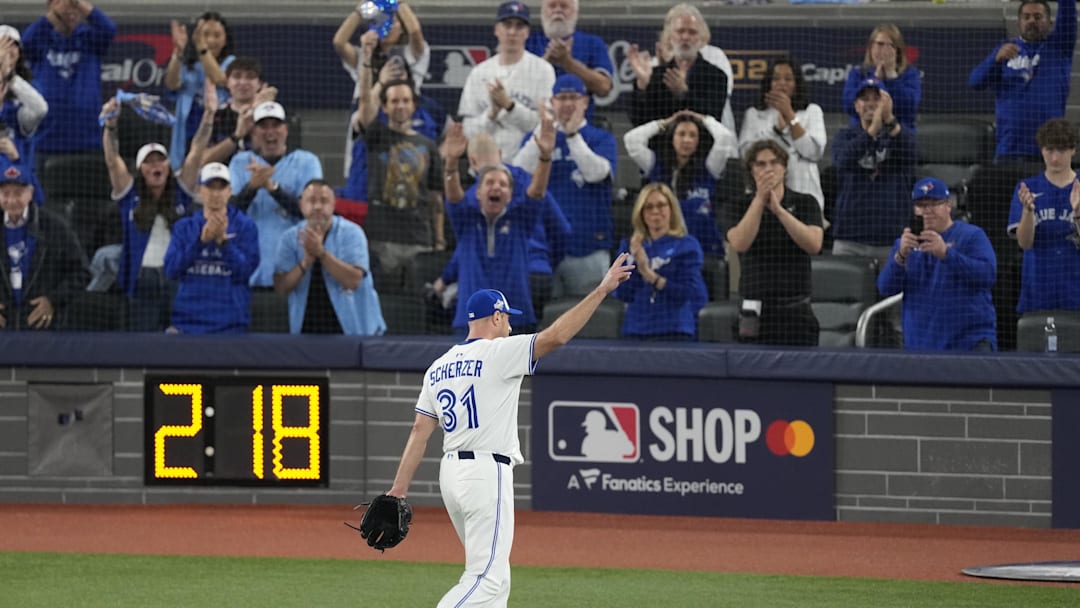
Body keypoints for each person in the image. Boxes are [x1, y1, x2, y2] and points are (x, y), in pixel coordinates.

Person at [384, 253, 634, 608]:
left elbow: (419, 431)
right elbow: (558, 336)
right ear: (497, 317)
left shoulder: (438, 366)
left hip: (451, 475)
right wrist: (602, 290)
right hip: (485, 474)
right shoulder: (499, 352)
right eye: (508, 319)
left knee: (495, 579)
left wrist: (398, 491)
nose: (511, 327)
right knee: (486, 580)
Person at [441, 112, 557, 334]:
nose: (496, 187)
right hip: (470, 322)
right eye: (490, 182)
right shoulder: (466, 220)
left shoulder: (521, 219)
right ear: (477, 192)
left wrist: (545, 157)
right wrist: (451, 163)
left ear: (511, 195)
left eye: (503, 184)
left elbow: (537, 192)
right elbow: (454, 196)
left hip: (515, 319)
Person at [101, 97, 200, 332]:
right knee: (143, 343)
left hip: (176, 279)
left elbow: (196, 153)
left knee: (180, 341)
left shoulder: (181, 193)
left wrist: (208, 116)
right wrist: (110, 126)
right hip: (142, 280)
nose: (156, 165)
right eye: (149, 162)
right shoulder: (129, 195)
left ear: (168, 166)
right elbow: (112, 161)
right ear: (140, 170)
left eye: (161, 160)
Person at [514, 73, 617, 297]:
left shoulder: (600, 138)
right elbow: (518, 175)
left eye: (574, 97)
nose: (568, 104)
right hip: (545, 250)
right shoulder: (536, 139)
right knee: (546, 316)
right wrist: (542, 130)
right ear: (552, 102)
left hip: (588, 246)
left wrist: (572, 136)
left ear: (585, 102)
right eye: (561, 98)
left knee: (590, 313)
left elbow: (597, 174)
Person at [878, 177, 997, 351]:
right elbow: (885, 288)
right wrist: (901, 256)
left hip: (968, 343)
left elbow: (987, 275)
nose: (927, 211)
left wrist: (946, 254)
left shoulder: (972, 235)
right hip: (920, 345)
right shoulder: (904, 244)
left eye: (934, 204)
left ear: (948, 205)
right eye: (921, 205)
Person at [725, 140, 823, 347]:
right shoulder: (737, 206)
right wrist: (760, 200)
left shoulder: (806, 202)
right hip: (753, 309)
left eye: (774, 162)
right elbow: (739, 243)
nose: (768, 169)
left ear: (784, 167)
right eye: (761, 164)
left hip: (796, 309)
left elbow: (814, 244)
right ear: (751, 170)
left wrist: (779, 211)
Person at [355, 69, 444, 292]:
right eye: (394, 101)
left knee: (417, 302)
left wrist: (439, 239)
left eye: (405, 100)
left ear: (414, 105)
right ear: (384, 107)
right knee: (382, 300)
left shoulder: (428, 146)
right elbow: (365, 102)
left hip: (419, 239)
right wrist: (367, 66)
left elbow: (436, 197)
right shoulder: (377, 136)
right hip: (381, 239)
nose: (400, 106)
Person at [273, 179, 386, 336]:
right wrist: (305, 263)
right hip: (306, 331)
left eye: (324, 201)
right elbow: (281, 288)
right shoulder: (289, 238)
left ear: (333, 205)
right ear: (301, 205)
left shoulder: (352, 233)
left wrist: (321, 253)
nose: (318, 206)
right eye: (312, 201)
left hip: (354, 333)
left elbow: (354, 281)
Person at [229, 100, 323, 288]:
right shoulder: (240, 162)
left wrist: (273, 188)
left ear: (286, 130)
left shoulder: (307, 161)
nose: (270, 132)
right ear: (254, 132)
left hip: (292, 269)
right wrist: (252, 187)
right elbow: (230, 212)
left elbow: (310, 211)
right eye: (263, 126)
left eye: (276, 125)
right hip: (249, 269)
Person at [969, 0, 1077, 163]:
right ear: (1019, 23)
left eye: (1038, 17)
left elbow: (1068, 11)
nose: (1031, 21)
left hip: (1050, 150)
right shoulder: (1005, 48)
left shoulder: (1060, 46)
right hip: (1010, 148)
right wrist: (995, 60)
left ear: (1050, 23)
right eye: (1026, 17)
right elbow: (975, 82)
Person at [624, 109, 737, 257]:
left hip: (705, 249)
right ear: (672, 137)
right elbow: (631, 140)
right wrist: (664, 123)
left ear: (698, 141)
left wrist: (703, 119)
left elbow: (725, 138)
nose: (687, 140)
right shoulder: (655, 165)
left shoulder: (710, 167)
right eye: (681, 134)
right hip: (664, 252)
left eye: (692, 135)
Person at [162, 162, 259, 334]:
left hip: (231, 326)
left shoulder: (245, 226)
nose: (215, 193)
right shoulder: (184, 227)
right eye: (210, 187)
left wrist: (224, 244)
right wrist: (200, 242)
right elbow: (171, 270)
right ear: (200, 190)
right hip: (188, 323)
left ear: (229, 191)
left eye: (221, 187)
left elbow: (245, 272)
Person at [831, 77, 917, 263]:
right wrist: (871, 132)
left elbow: (912, 155)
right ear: (856, 106)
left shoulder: (900, 135)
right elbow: (842, 160)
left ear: (887, 104)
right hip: (849, 238)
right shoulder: (844, 136)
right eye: (865, 99)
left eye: (877, 99)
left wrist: (890, 122)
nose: (870, 104)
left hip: (892, 239)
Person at [458, 1, 556, 161]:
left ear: (527, 32)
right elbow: (468, 132)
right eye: (507, 25)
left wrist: (510, 107)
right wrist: (492, 114)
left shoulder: (543, 70)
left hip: (527, 166)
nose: (512, 32)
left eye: (519, 26)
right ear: (497, 29)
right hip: (485, 166)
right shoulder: (479, 73)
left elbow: (546, 127)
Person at [21, 0, 115, 165]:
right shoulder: (41, 38)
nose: (70, 10)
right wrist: (55, 14)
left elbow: (108, 29)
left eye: (74, 6)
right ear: (50, 6)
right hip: (46, 139)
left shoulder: (90, 38)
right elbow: (26, 42)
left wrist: (77, 3)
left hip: (87, 139)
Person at [0, 155, 87, 330]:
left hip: (42, 329)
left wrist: (53, 300)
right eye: (5, 194)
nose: (11, 200)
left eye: (18, 193)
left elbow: (82, 273)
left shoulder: (56, 227)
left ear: (30, 193)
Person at [613, 183, 707, 341]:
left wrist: (649, 274)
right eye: (649, 207)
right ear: (641, 213)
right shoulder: (629, 246)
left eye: (661, 205)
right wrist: (635, 263)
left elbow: (686, 293)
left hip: (675, 330)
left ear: (671, 209)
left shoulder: (687, 245)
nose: (655, 211)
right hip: (636, 329)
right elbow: (623, 294)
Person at [1008, 118, 1080, 313]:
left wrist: (1078, 212)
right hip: (1037, 290)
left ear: (1073, 150)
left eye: (1061, 150)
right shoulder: (1027, 188)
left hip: (1075, 290)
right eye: (1049, 150)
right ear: (1041, 150)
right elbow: (1024, 243)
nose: (1055, 158)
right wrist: (1028, 211)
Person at [738, 56, 827, 211]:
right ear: (769, 83)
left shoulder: (812, 111)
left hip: (804, 192)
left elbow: (813, 152)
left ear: (797, 83)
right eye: (776, 78)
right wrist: (776, 131)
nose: (782, 83)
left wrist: (790, 116)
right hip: (764, 195)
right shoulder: (754, 114)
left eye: (788, 79)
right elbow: (746, 154)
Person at [625, 3, 727, 127]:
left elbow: (713, 119)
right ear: (670, 37)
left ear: (701, 38)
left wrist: (684, 93)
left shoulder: (716, 76)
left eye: (692, 32)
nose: (685, 37)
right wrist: (642, 86)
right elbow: (639, 122)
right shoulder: (656, 75)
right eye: (680, 31)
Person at [164, 11, 235, 170]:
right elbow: (172, 84)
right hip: (188, 136)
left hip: (218, 138)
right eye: (205, 35)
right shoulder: (188, 66)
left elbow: (219, 78)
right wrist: (178, 53)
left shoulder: (231, 63)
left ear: (225, 39)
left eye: (217, 35)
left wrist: (201, 47)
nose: (210, 40)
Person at [525, 0, 614, 116]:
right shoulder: (527, 42)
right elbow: (516, 86)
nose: (557, 10)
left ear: (575, 12)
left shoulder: (592, 43)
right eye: (552, 6)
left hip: (579, 123)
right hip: (534, 120)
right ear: (543, 11)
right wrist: (545, 63)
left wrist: (568, 63)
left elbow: (604, 88)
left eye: (564, 6)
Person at [0, 25, 49, 205]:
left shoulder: (29, 85)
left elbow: (40, 109)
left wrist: (9, 76)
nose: (8, 50)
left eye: (13, 45)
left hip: (19, 171)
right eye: (3, 44)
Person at [841, 24, 920, 133]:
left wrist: (891, 77)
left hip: (899, 133)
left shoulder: (910, 73)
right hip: (862, 132)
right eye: (880, 44)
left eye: (891, 45)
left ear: (897, 51)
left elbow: (909, 107)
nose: (885, 50)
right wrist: (875, 80)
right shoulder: (858, 73)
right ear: (871, 47)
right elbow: (849, 106)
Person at [200, 57, 277, 166]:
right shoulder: (215, 116)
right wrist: (236, 136)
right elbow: (202, 160)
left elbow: (277, 155)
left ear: (260, 84)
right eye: (237, 76)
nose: (243, 82)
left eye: (250, 77)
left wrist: (257, 111)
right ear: (227, 82)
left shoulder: (270, 115)